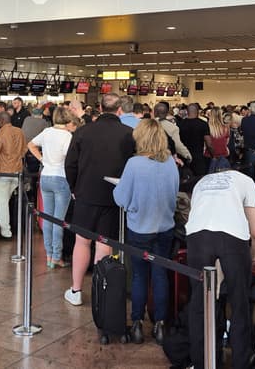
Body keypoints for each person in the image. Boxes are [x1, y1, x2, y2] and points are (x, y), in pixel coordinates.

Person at [186, 167, 255, 369]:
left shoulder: (202, 181)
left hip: (197, 236)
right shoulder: (247, 181)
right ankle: (240, 363)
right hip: (233, 237)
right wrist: (254, 254)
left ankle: (203, 362)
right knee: (239, 304)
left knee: (200, 304)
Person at [64, 93, 135, 306]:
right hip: (113, 196)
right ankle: (100, 291)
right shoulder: (128, 134)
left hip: (85, 194)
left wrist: (74, 187)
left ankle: (76, 290)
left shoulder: (83, 131)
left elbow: (70, 164)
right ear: (120, 110)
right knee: (104, 244)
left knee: (82, 241)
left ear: (100, 108)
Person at [113, 119, 178, 345]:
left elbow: (121, 198)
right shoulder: (170, 162)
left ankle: (138, 324)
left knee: (140, 276)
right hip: (165, 227)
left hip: (139, 228)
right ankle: (160, 325)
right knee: (160, 275)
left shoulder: (134, 164)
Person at [28, 106, 74, 268]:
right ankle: (56, 256)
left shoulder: (47, 132)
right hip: (61, 178)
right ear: (68, 118)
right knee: (58, 220)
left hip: (45, 176)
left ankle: (48, 255)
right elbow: (70, 159)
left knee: (47, 217)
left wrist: (42, 159)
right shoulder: (67, 136)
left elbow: (31, 145)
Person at [0, 112, 27, 241]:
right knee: (4, 201)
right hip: (16, 173)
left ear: (0, 122)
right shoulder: (20, 132)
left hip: (2, 173)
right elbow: (24, 151)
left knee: (2, 202)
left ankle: (6, 231)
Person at [179, 104, 212, 176]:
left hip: (184, 157)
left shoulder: (180, 124)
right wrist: (213, 154)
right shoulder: (203, 124)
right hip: (198, 158)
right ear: (198, 111)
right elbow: (209, 143)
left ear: (187, 112)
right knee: (199, 179)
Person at [205, 107, 230, 173]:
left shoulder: (207, 127)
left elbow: (206, 144)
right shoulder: (225, 128)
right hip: (223, 155)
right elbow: (226, 142)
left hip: (210, 156)